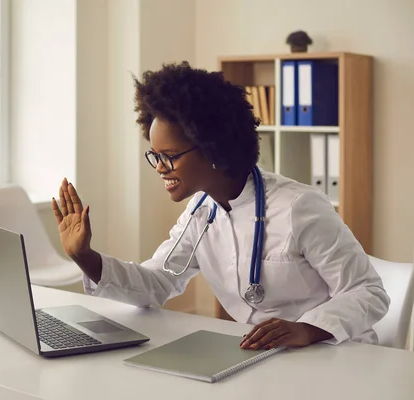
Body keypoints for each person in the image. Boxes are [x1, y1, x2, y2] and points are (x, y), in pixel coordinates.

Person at [51, 61, 389, 350]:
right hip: (265, 354)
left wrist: (306, 328)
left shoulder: (299, 207)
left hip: (335, 354)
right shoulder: (201, 211)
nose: (159, 168)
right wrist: (86, 257)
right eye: (155, 156)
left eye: (169, 157)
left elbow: (368, 292)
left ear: (213, 148)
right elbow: (156, 283)